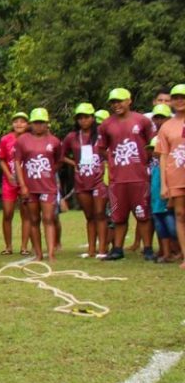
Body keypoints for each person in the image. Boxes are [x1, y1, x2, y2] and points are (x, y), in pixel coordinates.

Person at [98, 88, 157, 260]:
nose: (116, 105)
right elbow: (101, 148)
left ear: (129, 101)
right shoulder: (106, 124)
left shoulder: (142, 121)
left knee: (143, 214)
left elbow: (152, 142)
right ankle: (117, 249)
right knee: (118, 216)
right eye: (113, 102)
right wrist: (112, 159)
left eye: (120, 101)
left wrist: (144, 159)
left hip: (139, 177)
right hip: (118, 179)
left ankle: (147, 248)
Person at [12, 109, 62, 261]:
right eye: (35, 122)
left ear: (47, 123)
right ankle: (38, 253)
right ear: (31, 124)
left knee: (48, 218)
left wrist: (49, 173)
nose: (38, 126)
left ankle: (51, 253)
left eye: (42, 122)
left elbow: (59, 160)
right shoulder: (22, 140)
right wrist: (23, 185)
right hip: (30, 187)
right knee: (34, 220)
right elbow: (17, 162)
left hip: (47, 186)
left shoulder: (54, 141)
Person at [62, 103, 107, 259]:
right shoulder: (72, 137)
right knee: (89, 216)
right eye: (80, 118)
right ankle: (91, 249)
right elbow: (60, 155)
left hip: (99, 179)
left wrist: (106, 163)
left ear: (93, 118)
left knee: (100, 214)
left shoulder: (102, 133)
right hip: (81, 180)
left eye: (86, 117)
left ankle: (102, 249)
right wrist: (74, 163)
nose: (83, 120)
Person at [154, 85, 185, 267]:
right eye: (176, 97)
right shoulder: (166, 126)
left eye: (183, 97)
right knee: (180, 214)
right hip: (175, 175)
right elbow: (163, 155)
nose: (179, 100)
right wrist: (164, 184)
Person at [0, 113, 31, 255]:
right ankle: (8, 246)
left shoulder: (31, 139)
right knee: (7, 213)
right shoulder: (6, 139)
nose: (19, 124)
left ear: (27, 124)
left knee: (26, 213)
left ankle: (24, 246)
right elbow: (1, 159)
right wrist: (9, 175)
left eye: (22, 122)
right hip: (9, 181)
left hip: (27, 181)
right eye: (16, 121)